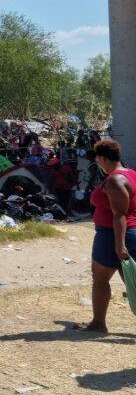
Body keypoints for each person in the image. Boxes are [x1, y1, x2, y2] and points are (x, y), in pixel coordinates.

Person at [76, 138, 135, 333]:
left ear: (103, 158)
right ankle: (98, 323)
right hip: (126, 234)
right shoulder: (131, 174)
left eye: (97, 159)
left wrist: (120, 245)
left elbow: (119, 215)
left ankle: (98, 323)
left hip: (113, 235)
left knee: (100, 278)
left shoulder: (115, 180)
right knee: (131, 281)